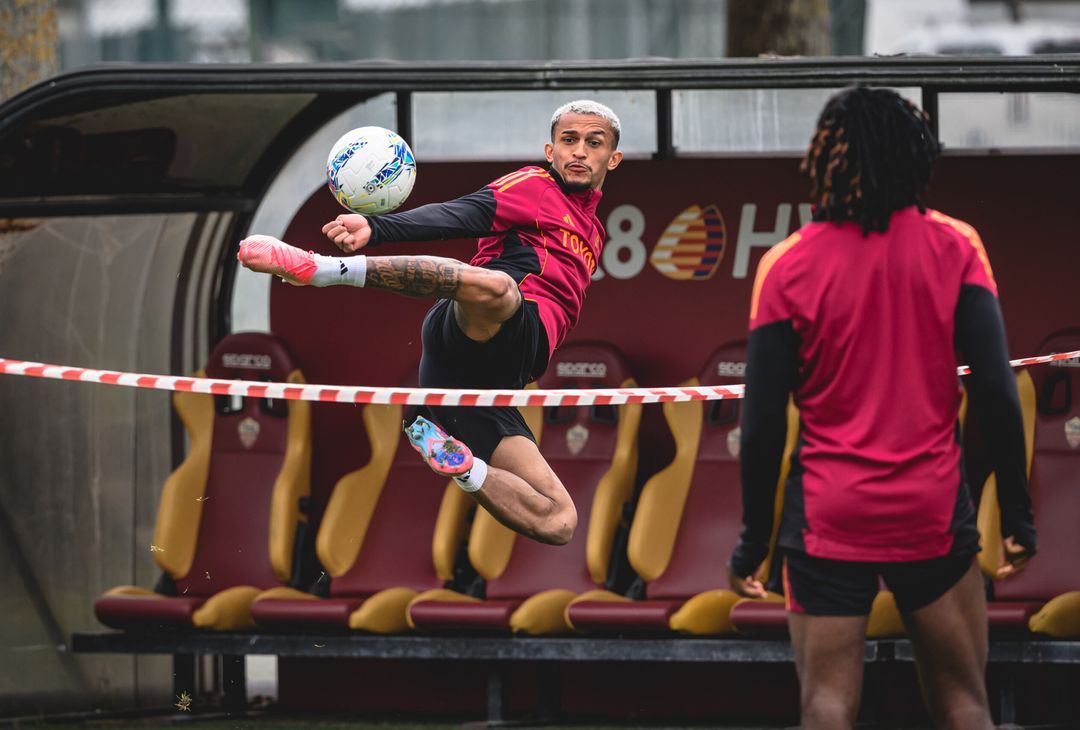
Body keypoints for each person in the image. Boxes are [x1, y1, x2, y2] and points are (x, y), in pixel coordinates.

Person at [728, 86, 1037, 729]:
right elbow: (997, 393)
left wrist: (754, 540)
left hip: (828, 515)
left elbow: (760, 424)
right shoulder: (957, 245)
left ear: (828, 158)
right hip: (931, 510)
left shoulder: (786, 264)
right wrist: (1017, 512)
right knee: (964, 704)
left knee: (826, 706)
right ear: (915, 156)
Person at [237, 100, 623, 547]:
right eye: (569, 140)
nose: (579, 151)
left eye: (593, 143)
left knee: (560, 522)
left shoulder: (594, 231)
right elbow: (462, 213)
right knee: (501, 290)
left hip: (492, 385)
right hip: (477, 328)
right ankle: (322, 269)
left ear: (612, 158)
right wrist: (377, 228)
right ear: (550, 151)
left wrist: (470, 468)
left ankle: (462, 466)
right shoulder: (536, 186)